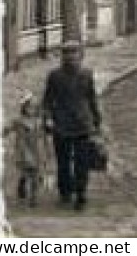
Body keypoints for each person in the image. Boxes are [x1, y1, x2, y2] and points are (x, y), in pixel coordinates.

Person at [42, 41, 102, 210]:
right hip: (61, 125)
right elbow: (47, 100)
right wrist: (47, 118)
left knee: (82, 162)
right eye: (67, 54)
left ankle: (81, 193)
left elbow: (92, 98)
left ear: (80, 55)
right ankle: (65, 191)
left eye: (74, 53)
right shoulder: (55, 76)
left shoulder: (87, 74)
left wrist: (97, 120)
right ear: (62, 57)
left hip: (82, 124)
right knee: (63, 161)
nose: (70, 57)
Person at [6, 91, 45, 205]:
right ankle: (22, 185)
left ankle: (33, 198)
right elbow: (7, 129)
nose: (31, 110)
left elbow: (42, 136)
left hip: (36, 150)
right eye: (29, 107)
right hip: (23, 150)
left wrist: (45, 151)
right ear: (24, 108)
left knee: (35, 174)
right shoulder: (18, 121)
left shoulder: (38, 122)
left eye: (34, 107)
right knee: (27, 172)